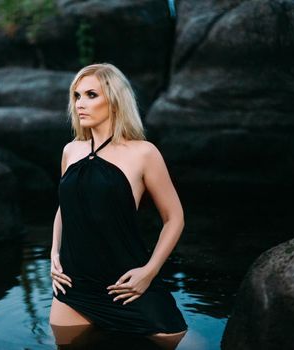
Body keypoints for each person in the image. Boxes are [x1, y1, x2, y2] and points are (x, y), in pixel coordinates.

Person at [48, 63, 188, 349]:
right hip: (75, 286)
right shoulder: (70, 150)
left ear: (114, 101)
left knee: (184, 343)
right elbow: (65, 207)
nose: (79, 104)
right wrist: (53, 254)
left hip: (128, 286)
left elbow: (174, 218)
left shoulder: (143, 153)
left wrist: (148, 272)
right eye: (76, 96)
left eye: (90, 95)